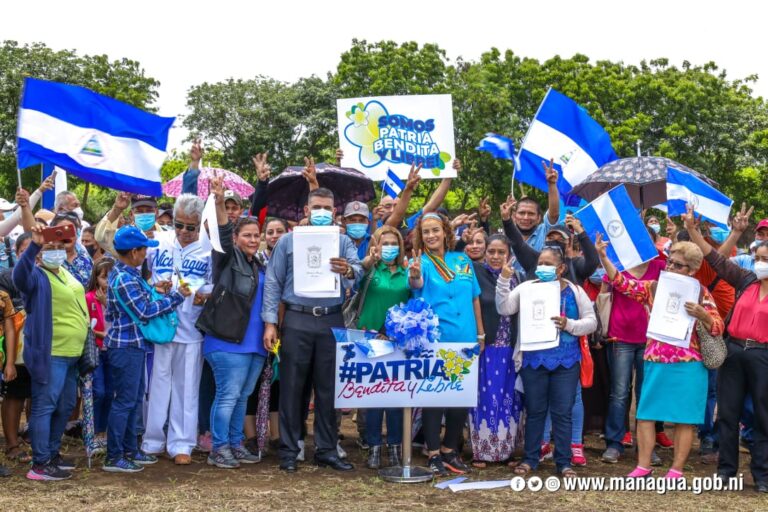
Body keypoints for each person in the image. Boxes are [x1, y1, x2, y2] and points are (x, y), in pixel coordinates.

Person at [597, 231, 724, 480]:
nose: (671, 267)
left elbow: (718, 327)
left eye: (678, 265)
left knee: (685, 419)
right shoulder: (653, 287)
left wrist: (704, 315)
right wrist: (603, 257)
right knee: (645, 414)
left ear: (692, 270)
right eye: (670, 262)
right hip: (655, 358)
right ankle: (643, 466)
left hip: (690, 363)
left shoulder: (701, 293)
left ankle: (676, 470)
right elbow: (622, 284)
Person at [262, 186, 362, 473]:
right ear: (306, 210)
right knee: (292, 387)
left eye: (326, 208)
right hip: (297, 318)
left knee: (329, 388)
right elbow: (273, 282)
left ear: (334, 212)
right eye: (316, 207)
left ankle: (327, 450)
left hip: (331, 318)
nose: (321, 212)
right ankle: (289, 450)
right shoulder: (287, 241)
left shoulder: (342, 241)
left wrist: (348, 271)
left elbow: (358, 271)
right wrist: (270, 323)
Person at [684, 206, 768, 493]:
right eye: (758, 259)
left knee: (762, 416)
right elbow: (715, 259)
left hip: (763, 356)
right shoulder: (746, 280)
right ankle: (726, 471)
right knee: (728, 414)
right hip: (734, 352)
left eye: (766, 260)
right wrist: (693, 230)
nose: (760, 264)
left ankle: (762, 474)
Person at [496, 246, 597, 479]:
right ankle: (530, 459)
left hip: (566, 361)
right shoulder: (526, 288)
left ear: (561, 268)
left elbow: (591, 322)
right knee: (535, 411)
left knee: (562, 413)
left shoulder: (575, 291)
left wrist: (570, 324)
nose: (542, 267)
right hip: (534, 361)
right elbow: (504, 308)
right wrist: (504, 280)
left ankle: (563, 462)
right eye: (540, 263)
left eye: (548, 264)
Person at [13, 188, 89, 481]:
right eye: (49, 247)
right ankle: (40, 463)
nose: (55, 250)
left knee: (66, 405)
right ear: (40, 253)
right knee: (45, 405)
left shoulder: (65, 272)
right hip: (51, 353)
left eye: (58, 246)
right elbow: (19, 275)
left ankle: (52, 453)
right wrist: (34, 245)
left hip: (72, 354)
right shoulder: (35, 275)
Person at [103, 225, 191, 473]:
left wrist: (157, 290)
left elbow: (142, 301)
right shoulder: (124, 278)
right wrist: (176, 298)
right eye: (143, 250)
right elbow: (144, 311)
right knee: (125, 402)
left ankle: (130, 449)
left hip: (132, 345)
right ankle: (114, 455)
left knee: (132, 400)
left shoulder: (128, 275)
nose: (146, 254)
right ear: (133, 252)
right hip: (126, 346)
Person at [408, 212, 483, 476]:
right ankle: (433, 453)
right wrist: (414, 275)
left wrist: (481, 334)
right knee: (435, 398)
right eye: (426, 232)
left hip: (466, 337)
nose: (431, 235)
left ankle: (450, 449)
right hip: (436, 340)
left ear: (445, 232)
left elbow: (475, 298)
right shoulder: (420, 262)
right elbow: (415, 283)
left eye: (435, 230)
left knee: (460, 397)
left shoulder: (462, 260)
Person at [200, 174, 267, 468]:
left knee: (242, 396)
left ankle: (236, 443)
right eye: (247, 236)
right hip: (226, 341)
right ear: (236, 239)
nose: (252, 240)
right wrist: (218, 201)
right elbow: (223, 232)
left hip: (255, 344)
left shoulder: (259, 264)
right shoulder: (227, 257)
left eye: (256, 235)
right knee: (227, 395)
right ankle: (218, 447)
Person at [141, 194, 212, 465]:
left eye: (190, 227)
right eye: (178, 224)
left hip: (191, 327)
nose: (183, 231)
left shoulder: (209, 247)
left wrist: (202, 293)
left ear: (200, 223)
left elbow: (216, 284)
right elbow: (141, 270)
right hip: (160, 325)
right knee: (157, 385)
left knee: (186, 387)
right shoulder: (160, 241)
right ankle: (153, 440)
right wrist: (155, 287)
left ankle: (182, 443)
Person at [599, 254, 667, 465]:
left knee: (646, 394)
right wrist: (602, 329)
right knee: (619, 393)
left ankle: (646, 447)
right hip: (619, 338)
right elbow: (603, 296)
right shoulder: (616, 267)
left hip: (650, 340)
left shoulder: (661, 267)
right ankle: (614, 443)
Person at [357, 226, 410, 469]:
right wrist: (368, 261)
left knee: (395, 397)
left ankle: (395, 446)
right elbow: (354, 277)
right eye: (384, 243)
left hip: (398, 340)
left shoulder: (407, 272)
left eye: (393, 243)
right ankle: (374, 447)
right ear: (376, 245)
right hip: (369, 338)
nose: (389, 247)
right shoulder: (369, 270)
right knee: (374, 397)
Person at [469, 234, 524, 467]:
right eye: (491, 251)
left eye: (501, 252)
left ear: (509, 255)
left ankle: (507, 451)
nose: (495, 256)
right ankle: (481, 452)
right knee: (484, 400)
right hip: (486, 348)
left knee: (510, 400)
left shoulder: (518, 278)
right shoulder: (475, 273)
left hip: (511, 350)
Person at [0, 234, 32, 470]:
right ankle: (11, 444)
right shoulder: (6, 279)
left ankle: (33, 436)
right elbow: (9, 325)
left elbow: (9, 324)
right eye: (27, 250)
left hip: (37, 348)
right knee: (15, 394)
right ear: (17, 252)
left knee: (37, 393)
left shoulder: (54, 276)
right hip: (16, 350)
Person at [85, 259, 114, 448]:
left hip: (112, 349)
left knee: (110, 393)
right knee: (99, 392)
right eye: (104, 277)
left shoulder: (116, 298)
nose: (107, 282)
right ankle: (93, 431)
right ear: (96, 278)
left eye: (111, 277)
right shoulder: (88, 298)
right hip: (96, 350)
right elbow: (85, 325)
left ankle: (103, 431)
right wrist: (99, 334)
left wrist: (107, 303)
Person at [95, 193, 160, 255]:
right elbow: (101, 238)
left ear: (157, 212)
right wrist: (117, 209)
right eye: (139, 211)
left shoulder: (165, 236)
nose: (144, 215)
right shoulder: (124, 238)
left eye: (149, 211)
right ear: (131, 214)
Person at [49, 212, 93, 286]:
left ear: (77, 233)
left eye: (69, 231)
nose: (66, 236)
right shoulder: (46, 259)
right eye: (61, 232)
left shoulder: (86, 259)